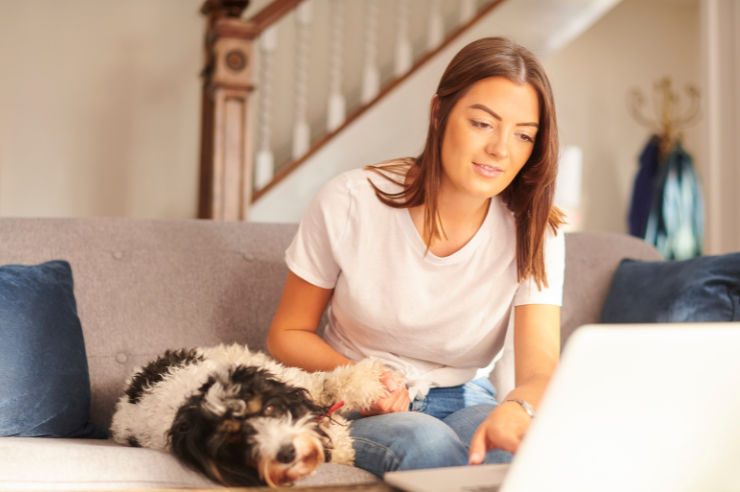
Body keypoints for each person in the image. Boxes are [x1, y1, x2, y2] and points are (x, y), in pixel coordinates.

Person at [266, 36, 565, 477]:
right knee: (427, 446)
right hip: (358, 399)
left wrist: (518, 407)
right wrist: (364, 380)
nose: (501, 149)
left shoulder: (534, 229)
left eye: (523, 135)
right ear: (438, 113)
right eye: (483, 123)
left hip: (465, 396)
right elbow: (286, 333)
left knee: (511, 454)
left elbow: (541, 369)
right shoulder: (351, 201)